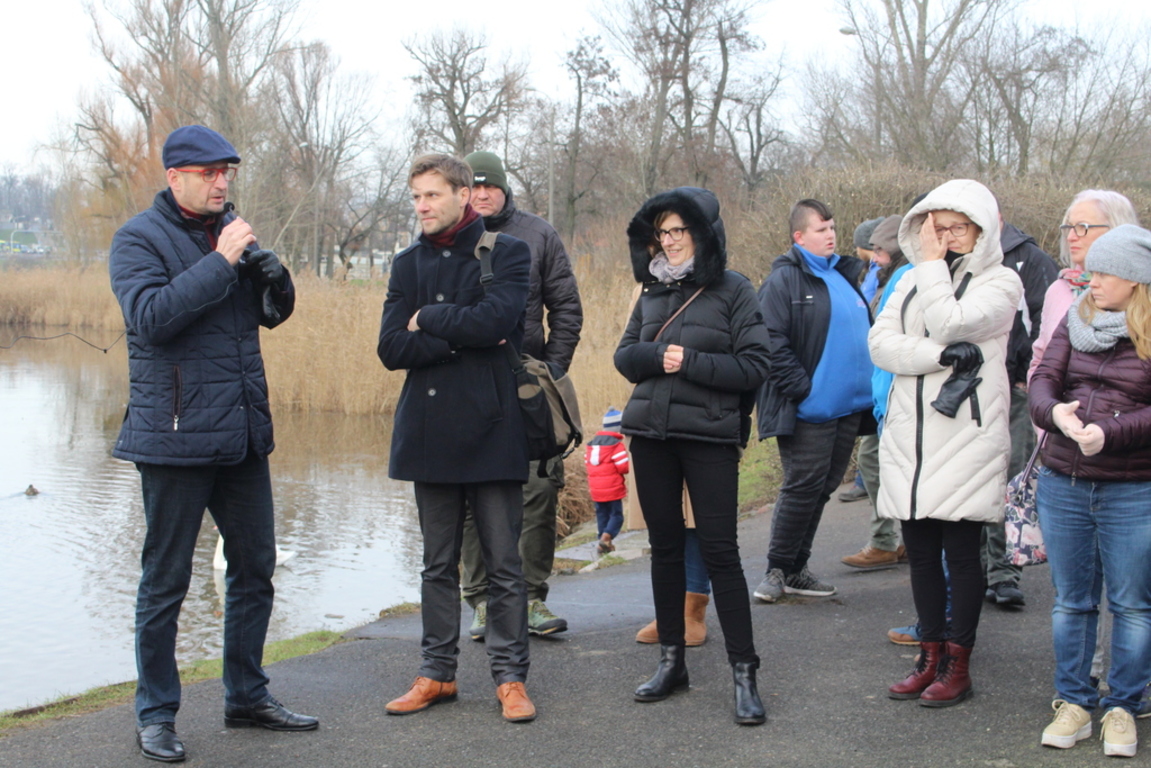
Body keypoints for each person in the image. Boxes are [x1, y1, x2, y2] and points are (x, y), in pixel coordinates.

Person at [109, 125, 316, 763]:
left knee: (255, 568)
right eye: (209, 173)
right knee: (166, 581)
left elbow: (267, 315)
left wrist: (275, 279)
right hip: (173, 439)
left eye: (227, 171)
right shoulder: (138, 239)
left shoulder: (230, 232)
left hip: (241, 435)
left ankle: (246, 696)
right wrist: (221, 262)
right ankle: (155, 715)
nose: (221, 182)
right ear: (176, 177)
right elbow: (151, 319)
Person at [377, 153, 536, 723]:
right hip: (429, 431)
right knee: (436, 564)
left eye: (432, 195)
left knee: (504, 564)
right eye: (416, 196)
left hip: (494, 427)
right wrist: (461, 333)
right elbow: (391, 348)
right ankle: (437, 673)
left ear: (463, 194)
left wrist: (428, 319)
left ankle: (510, 679)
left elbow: (498, 322)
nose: (421, 206)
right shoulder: (406, 263)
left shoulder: (506, 252)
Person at [615, 186, 769, 725]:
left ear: (703, 234)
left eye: (680, 230)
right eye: (663, 232)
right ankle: (672, 662)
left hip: (709, 437)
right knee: (664, 551)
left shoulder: (734, 289)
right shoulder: (652, 289)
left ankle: (745, 674)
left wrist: (690, 362)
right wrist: (659, 355)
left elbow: (755, 366)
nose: (671, 240)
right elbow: (625, 357)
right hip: (651, 436)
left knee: (721, 553)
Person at [871, 179, 1022, 708]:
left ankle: (959, 665)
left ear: (982, 230)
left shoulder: (1001, 282)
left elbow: (950, 322)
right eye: (938, 228)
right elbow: (880, 344)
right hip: (910, 437)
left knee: (960, 552)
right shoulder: (912, 278)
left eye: (959, 228)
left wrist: (932, 270)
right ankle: (929, 656)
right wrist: (937, 358)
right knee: (919, 552)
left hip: (964, 435)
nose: (948, 238)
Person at [1031, 224, 1151, 757]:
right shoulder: (1077, 315)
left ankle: (1123, 705)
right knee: (1072, 602)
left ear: (1135, 279)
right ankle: (1074, 702)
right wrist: (1054, 413)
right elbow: (1042, 379)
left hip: (1134, 488)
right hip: (1065, 480)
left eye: (1102, 273)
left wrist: (1110, 433)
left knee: (1132, 604)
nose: (1090, 281)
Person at [459, 151, 583, 641]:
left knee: (539, 487)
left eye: (489, 186)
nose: (482, 195)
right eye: (473, 187)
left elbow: (566, 307)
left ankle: (531, 598)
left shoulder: (538, 234)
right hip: (468, 384)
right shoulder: (449, 239)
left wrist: (551, 371)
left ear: (504, 189)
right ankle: (482, 601)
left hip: (526, 382)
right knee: (471, 492)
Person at [754, 199, 875, 603]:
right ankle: (776, 571)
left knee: (822, 488)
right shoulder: (784, 281)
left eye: (833, 227)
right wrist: (804, 390)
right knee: (801, 487)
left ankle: (796, 569)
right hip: (810, 410)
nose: (831, 235)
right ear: (799, 237)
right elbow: (769, 342)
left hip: (848, 409)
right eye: (821, 229)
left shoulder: (842, 275)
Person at [980, 216, 1058, 608]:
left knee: (1011, 478)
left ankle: (1004, 571)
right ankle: (975, 569)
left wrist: (1030, 376)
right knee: (974, 480)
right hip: (971, 390)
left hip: (1014, 389)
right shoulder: (956, 257)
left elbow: (1049, 323)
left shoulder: (1031, 259)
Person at [842, 214, 911, 571]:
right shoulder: (880, 278)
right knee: (874, 460)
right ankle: (893, 538)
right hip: (880, 389)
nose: (874, 258)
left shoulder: (902, 280)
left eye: (880, 252)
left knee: (880, 460)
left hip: (894, 392)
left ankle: (890, 539)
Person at [585, 407, 629, 555]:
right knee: (616, 515)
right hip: (612, 488)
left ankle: (603, 544)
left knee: (602, 514)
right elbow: (623, 467)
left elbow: (587, 464)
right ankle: (606, 537)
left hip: (596, 489)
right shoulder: (616, 445)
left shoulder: (592, 445)